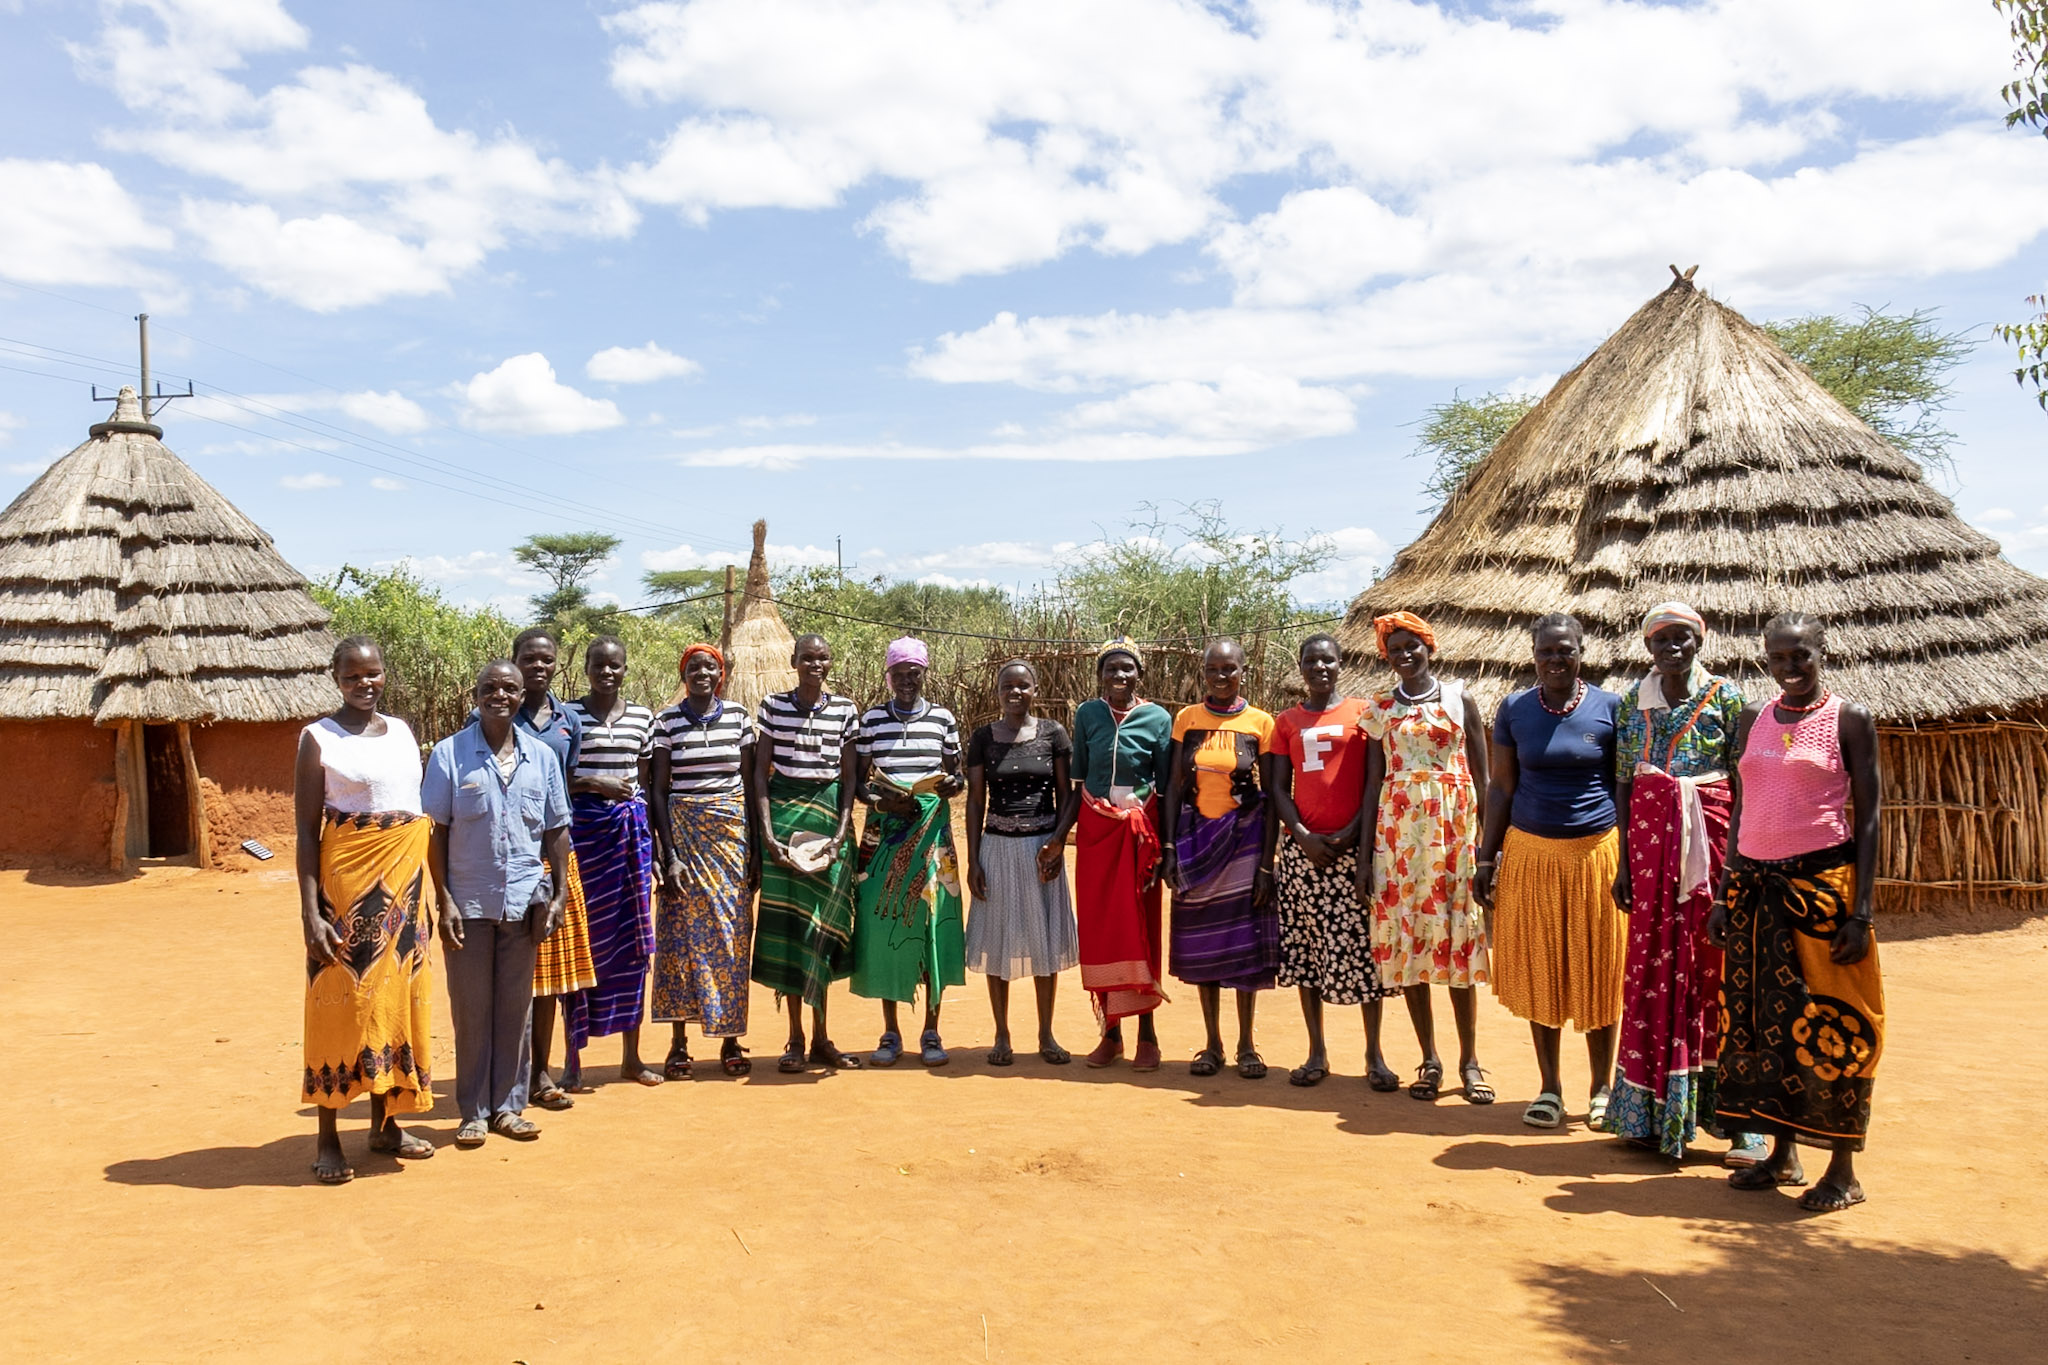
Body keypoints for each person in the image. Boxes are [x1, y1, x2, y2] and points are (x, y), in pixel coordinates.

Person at [1712, 613, 1885, 1213]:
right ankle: (1782, 1154)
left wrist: (1861, 914)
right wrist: (1725, 891)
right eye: (1778, 658)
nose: (1790, 668)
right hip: (1755, 893)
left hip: (1822, 892)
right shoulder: (1752, 718)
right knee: (1767, 1024)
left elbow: (1869, 815)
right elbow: (1741, 806)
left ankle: (1843, 1172)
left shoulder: (1850, 719)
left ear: (1821, 652)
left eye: (1800, 655)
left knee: (1835, 1021)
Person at [1606, 603, 1757, 1161]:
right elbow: (1624, 784)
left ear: (1699, 642)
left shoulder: (1727, 698)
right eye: (1661, 639)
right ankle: (1647, 1113)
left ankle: (1738, 1120)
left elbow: (1743, 784)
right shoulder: (1632, 703)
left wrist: (1737, 866)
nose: (1672, 647)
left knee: (1715, 966)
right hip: (1649, 849)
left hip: (1711, 846)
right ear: (1648, 647)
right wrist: (1624, 864)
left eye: (1682, 638)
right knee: (1650, 967)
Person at [1473, 614, 1625, 1129]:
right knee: (1543, 968)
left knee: (1599, 969)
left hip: (1595, 855)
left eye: (1565, 650)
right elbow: (1500, 787)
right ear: (1533, 654)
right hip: (1531, 855)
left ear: (1582, 652)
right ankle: (1550, 1088)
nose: (1556, 659)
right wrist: (1486, 857)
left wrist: (1628, 861)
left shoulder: (1611, 708)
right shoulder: (1514, 709)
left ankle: (1602, 1089)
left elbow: (1622, 787)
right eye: (1546, 651)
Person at [296, 636, 436, 1184]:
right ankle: (328, 1138)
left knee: (395, 1003)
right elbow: (306, 832)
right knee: (340, 1004)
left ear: (384, 673)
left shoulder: (401, 731)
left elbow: (413, 811)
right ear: (336, 678)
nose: (364, 684)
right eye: (352, 676)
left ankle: (386, 1125)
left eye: (372, 673)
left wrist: (426, 896)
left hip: (405, 891)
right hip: (346, 893)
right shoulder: (318, 739)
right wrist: (311, 913)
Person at [423, 659, 572, 1147]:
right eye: (490, 687)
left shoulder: (542, 758)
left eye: (509, 688)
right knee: (471, 1009)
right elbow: (435, 833)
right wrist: (443, 900)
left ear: (521, 694)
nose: (500, 696)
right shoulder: (448, 755)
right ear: (477, 694)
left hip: (524, 901)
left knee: (515, 1008)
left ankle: (509, 1109)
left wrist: (559, 894)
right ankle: (473, 1112)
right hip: (468, 903)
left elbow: (556, 831)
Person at [1356, 612, 1492, 1104]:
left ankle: (1470, 1061)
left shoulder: (1459, 699)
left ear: (1429, 648)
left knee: (1458, 944)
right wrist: (1365, 859)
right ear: (1386, 657)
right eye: (1395, 650)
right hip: (1398, 842)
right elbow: (1372, 784)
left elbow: (1484, 778)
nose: (1405, 656)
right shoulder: (1380, 708)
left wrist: (1487, 849)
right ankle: (1429, 1059)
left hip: (1453, 838)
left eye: (1412, 646)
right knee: (1410, 947)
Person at [1266, 634, 1394, 1088]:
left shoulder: (1365, 714)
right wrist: (1302, 836)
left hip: (1355, 853)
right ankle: (1316, 1052)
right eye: (1311, 661)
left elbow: (1375, 781)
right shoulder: (1287, 722)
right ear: (1301, 667)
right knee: (1306, 951)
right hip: (1304, 856)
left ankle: (1374, 1055)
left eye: (1327, 660)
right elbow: (1278, 787)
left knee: (1365, 953)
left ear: (1341, 664)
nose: (1319, 667)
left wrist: (1352, 833)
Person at [1162, 638, 1278, 1080]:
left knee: (1245, 944)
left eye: (1229, 669)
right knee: (1203, 944)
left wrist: (1266, 864)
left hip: (1244, 843)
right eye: (1213, 669)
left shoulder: (1260, 723)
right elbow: (1175, 786)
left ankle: (1247, 1045)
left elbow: (1272, 795)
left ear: (1243, 672)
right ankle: (1212, 1044)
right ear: (1203, 673)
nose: (1221, 677)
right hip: (1195, 843)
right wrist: (1170, 847)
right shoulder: (1187, 720)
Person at [750, 633, 864, 1073]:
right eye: (808, 657)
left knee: (821, 929)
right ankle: (796, 1037)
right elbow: (760, 776)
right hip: (783, 824)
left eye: (823, 657)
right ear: (793, 661)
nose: (815, 664)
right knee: (792, 929)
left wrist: (840, 834)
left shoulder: (845, 710)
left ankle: (821, 1037)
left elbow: (849, 779)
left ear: (830, 662)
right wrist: (768, 836)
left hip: (828, 823)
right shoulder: (773, 707)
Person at [851, 636, 967, 1067]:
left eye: (913, 674)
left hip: (933, 835)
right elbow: (858, 783)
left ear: (924, 674)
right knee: (884, 924)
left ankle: (932, 1031)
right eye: (898, 674)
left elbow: (957, 776)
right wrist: (884, 803)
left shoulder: (943, 719)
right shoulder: (872, 720)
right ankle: (891, 1032)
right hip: (884, 834)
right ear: (888, 676)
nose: (906, 681)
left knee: (933, 923)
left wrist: (954, 785)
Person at [649, 644, 760, 1078]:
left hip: (731, 840)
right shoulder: (666, 722)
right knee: (679, 938)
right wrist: (669, 854)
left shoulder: (739, 718)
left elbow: (750, 785)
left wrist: (755, 851)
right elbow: (658, 791)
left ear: (720, 674)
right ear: (684, 674)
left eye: (709, 667)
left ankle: (731, 1039)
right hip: (683, 839)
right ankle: (678, 1044)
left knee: (732, 935)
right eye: (693, 667)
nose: (701, 673)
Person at [963, 660, 1078, 1066]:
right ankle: (1002, 1034)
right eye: (1007, 686)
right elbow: (975, 800)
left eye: (1023, 685)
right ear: (997, 692)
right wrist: (974, 859)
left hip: (1042, 850)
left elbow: (1067, 795)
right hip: (997, 848)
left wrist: (1058, 843)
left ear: (1035, 690)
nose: (1015, 692)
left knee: (1045, 938)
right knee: (998, 938)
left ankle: (1046, 1034)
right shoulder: (983, 738)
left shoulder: (1053, 733)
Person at [1070, 637, 1174, 1072]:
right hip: (1096, 831)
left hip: (1140, 834)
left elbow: (1166, 788)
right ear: (1100, 675)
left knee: (1140, 923)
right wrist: (1058, 838)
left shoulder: (1158, 718)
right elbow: (1078, 780)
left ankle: (1148, 1033)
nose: (1119, 675)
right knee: (1102, 927)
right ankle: (1111, 1033)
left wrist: (1166, 847)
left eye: (1127, 668)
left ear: (1139, 674)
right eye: (1111, 668)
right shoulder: (1087, 715)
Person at [563, 637, 661, 1087]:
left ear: (625, 669)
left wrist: (654, 851)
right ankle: (572, 1060)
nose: (607, 672)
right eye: (598, 665)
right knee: (579, 945)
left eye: (614, 665)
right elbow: (554, 777)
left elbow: (648, 787)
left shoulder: (643, 718)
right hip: (582, 839)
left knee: (631, 946)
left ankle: (632, 1058)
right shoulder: (568, 717)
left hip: (628, 842)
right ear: (585, 669)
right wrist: (593, 783)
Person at [509, 626, 596, 1112]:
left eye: (546, 659)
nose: (538, 666)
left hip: (556, 853)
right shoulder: (496, 713)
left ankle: (540, 1073)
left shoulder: (568, 721)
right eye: (529, 658)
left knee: (547, 977)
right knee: (512, 973)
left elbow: (565, 784)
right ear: (515, 661)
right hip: (506, 857)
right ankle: (509, 1075)